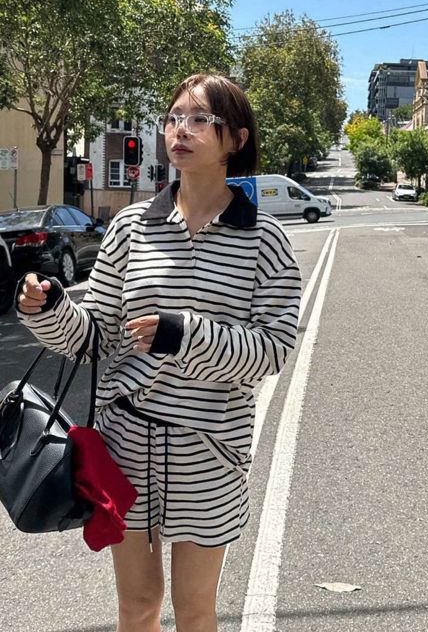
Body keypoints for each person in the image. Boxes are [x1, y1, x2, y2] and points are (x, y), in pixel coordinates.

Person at [16, 73, 302, 632]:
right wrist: (47, 308)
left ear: (236, 139)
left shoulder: (264, 239)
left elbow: (272, 350)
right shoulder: (132, 227)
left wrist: (185, 335)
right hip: (127, 443)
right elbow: (94, 337)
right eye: (173, 118)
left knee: (195, 609)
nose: (181, 131)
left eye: (200, 120)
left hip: (210, 450)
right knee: (139, 604)